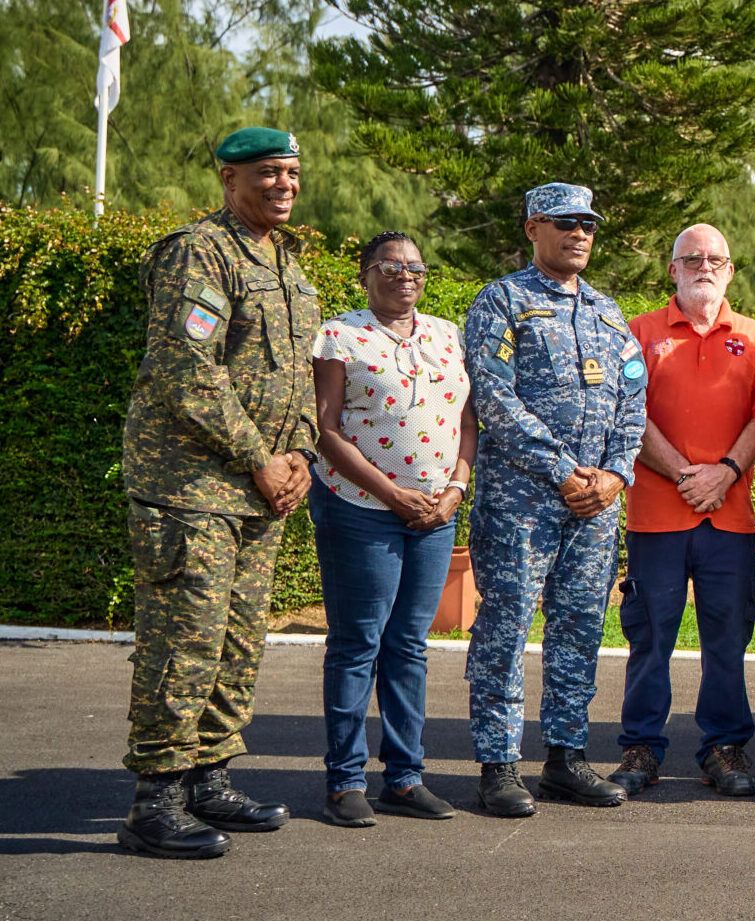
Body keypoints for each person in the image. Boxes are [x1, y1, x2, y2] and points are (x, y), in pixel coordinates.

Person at [117, 127, 314, 858]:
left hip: (259, 492)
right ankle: (155, 801)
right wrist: (259, 456)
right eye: (268, 173)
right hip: (192, 487)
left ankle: (209, 779)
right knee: (184, 642)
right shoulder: (200, 250)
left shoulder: (288, 263)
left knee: (236, 643)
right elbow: (186, 371)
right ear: (228, 179)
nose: (283, 185)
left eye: (291, 172)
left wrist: (299, 453)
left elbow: (296, 376)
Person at [461, 182, 648, 817]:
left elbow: (632, 399)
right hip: (523, 502)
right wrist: (564, 470)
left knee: (579, 630)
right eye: (565, 223)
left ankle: (566, 758)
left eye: (588, 225)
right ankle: (498, 764)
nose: (580, 234)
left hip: (596, 507)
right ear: (533, 228)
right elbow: (493, 396)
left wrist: (616, 475)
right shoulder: (503, 301)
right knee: (507, 630)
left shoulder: (608, 312)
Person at [307, 231, 469, 827]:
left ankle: (403, 778)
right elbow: (325, 429)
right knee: (358, 645)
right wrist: (392, 493)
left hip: (433, 516)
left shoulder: (448, 335)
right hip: (361, 510)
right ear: (364, 275)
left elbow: (466, 421)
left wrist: (454, 491)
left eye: (416, 268)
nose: (405, 276)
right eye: (390, 266)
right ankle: (344, 781)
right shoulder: (338, 335)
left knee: (408, 645)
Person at [606, 224, 755, 798]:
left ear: (730, 271)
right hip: (657, 516)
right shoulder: (638, 333)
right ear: (672, 269)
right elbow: (628, 419)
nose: (705, 266)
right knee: (650, 636)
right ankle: (641, 748)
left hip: (728, 517)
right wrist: (684, 473)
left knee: (728, 637)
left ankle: (724, 749)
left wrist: (723, 472)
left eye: (716, 259)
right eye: (692, 258)